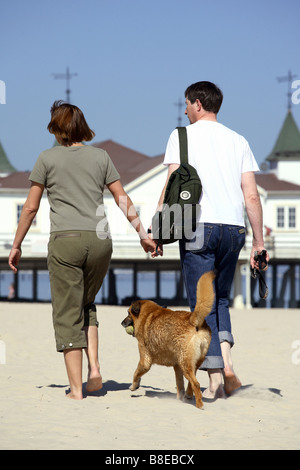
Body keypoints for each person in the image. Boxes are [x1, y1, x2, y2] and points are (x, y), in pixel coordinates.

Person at [8, 100, 161, 400]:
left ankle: (76, 390)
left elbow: (29, 207)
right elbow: (122, 198)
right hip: (100, 241)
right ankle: (94, 371)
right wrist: (142, 233)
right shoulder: (101, 157)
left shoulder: (46, 159)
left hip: (66, 241)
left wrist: (16, 245)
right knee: (86, 304)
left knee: (68, 314)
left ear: (57, 128)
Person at [156, 81, 269, 400]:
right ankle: (228, 365)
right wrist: (259, 243)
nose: (185, 110)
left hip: (197, 227)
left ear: (197, 104)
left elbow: (171, 186)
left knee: (201, 304)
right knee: (219, 298)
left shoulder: (181, 136)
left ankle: (216, 381)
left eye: (187, 104)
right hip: (233, 229)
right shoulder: (239, 140)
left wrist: (160, 230)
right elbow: (251, 195)